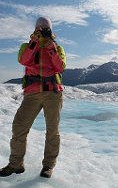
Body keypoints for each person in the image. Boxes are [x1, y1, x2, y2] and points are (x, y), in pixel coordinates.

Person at [0, 17, 66, 178]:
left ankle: (48, 166)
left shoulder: (57, 48)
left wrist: (51, 47)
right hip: (32, 93)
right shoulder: (26, 46)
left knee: (52, 130)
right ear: (34, 28)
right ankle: (16, 164)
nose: (42, 29)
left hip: (53, 93)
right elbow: (24, 60)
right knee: (19, 126)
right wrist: (34, 42)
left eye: (45, 27)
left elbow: (60, 67)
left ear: (50, 30)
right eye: (39, 27)